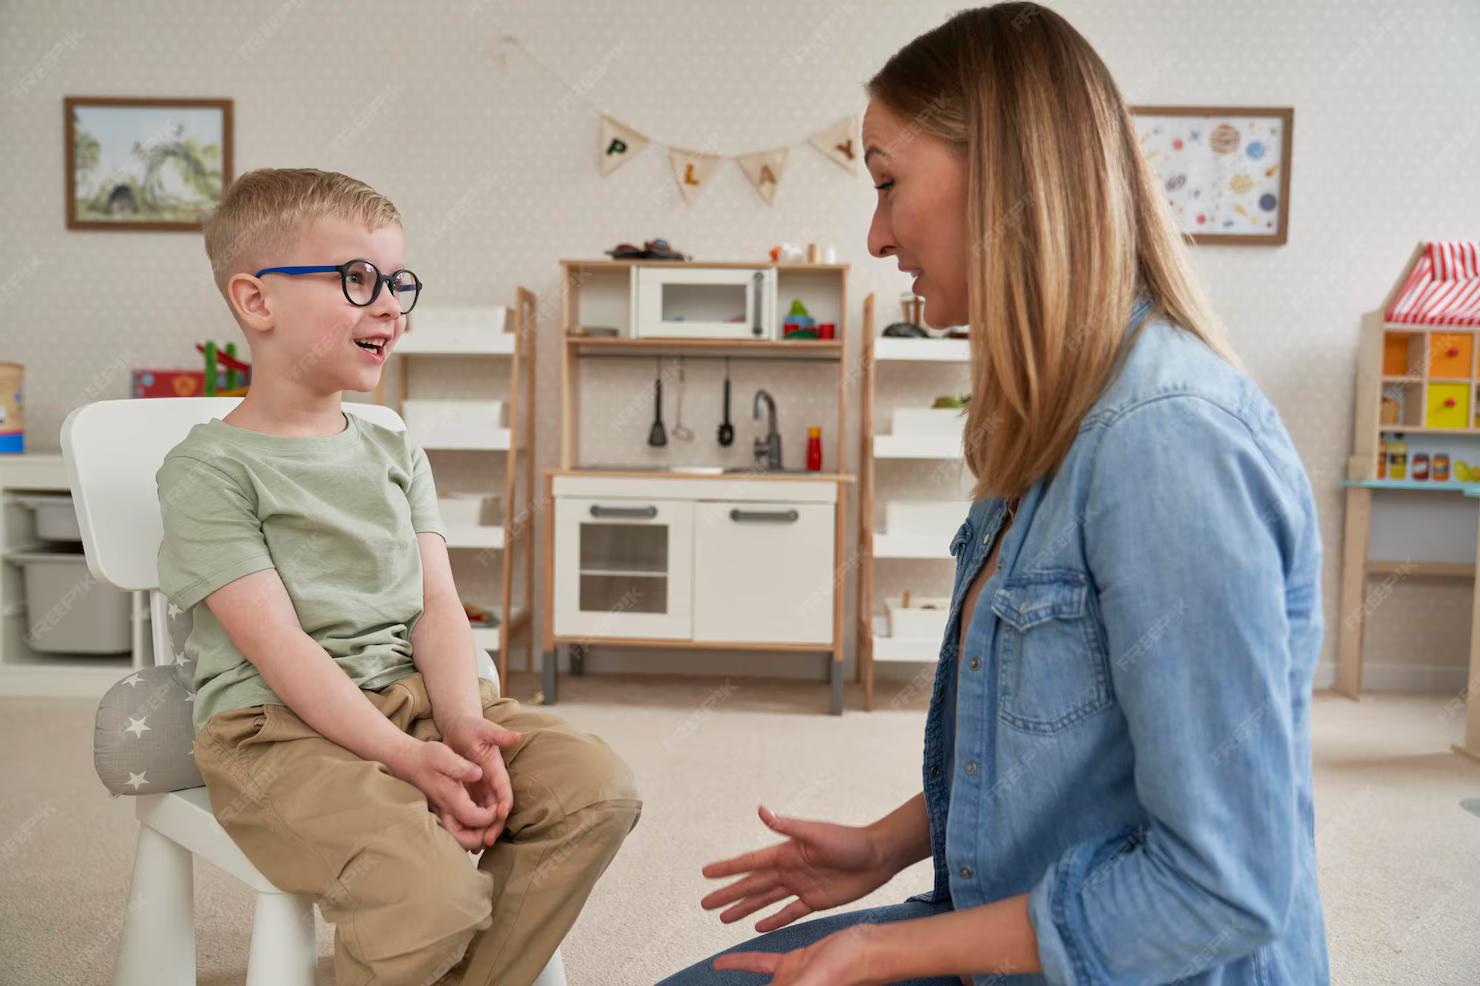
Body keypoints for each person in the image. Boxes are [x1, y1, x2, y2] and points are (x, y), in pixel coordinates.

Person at [660, 4, 1326, 984]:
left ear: (1009, 176)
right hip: (1013, 925)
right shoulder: (1057, 424)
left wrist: (890, 944)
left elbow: (1224, 882)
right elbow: (1067, 751)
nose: (877, 235)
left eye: (887, 183)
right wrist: (887, 844)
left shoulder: (1164, 440)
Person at [158, 168, 641, 986]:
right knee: (431, 891)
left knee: (599, 791)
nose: (391, 306)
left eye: (397, 282)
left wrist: (459, 723)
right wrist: (403, 759)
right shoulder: (209, 469)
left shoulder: (392, 446)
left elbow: (438, 606)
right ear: (256, 301)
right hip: (277, 732)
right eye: (358, 280)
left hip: (417, 701)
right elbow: (280, 650)